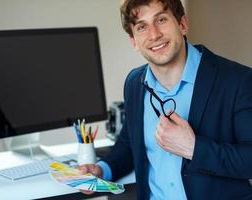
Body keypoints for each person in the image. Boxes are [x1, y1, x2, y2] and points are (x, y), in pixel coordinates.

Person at [79, 0, 252, 199]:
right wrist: (102, 170)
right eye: (142, 27)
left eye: (161, 19)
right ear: (133, 41)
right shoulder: (135, 83)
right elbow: (129, 144)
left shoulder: (238, 81)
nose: (154, 35)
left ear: (183, 24)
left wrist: (194, 148)